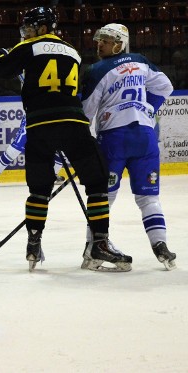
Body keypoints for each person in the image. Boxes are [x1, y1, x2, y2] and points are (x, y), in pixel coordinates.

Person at [0, 6, 132, 272]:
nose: (28, 32)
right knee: (97, 183)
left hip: (40, 124)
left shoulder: (29, 46)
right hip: (73, 123)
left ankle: (34, 242)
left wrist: (1, 54)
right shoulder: (74, 53)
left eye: (31, 28)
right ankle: (99, 242)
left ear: (43, 28)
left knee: (39, 188)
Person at [80, 23, 176, 270]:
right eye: (99, 40)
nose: (100, 44)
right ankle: (160, 245)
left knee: (104, 197)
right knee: (148, 197)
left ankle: (93, 249)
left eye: (106, 40)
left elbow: (86, 112)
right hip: (145, 136)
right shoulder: (141, 61)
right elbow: (166, 87)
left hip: (114, 139)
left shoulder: (96, 70)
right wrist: (146, 109)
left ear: (120, 43)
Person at [0, 116, 65, 186]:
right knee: (16, 147)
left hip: (51, 122)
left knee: (60, 150)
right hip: (32, 118)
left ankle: (51, 176)